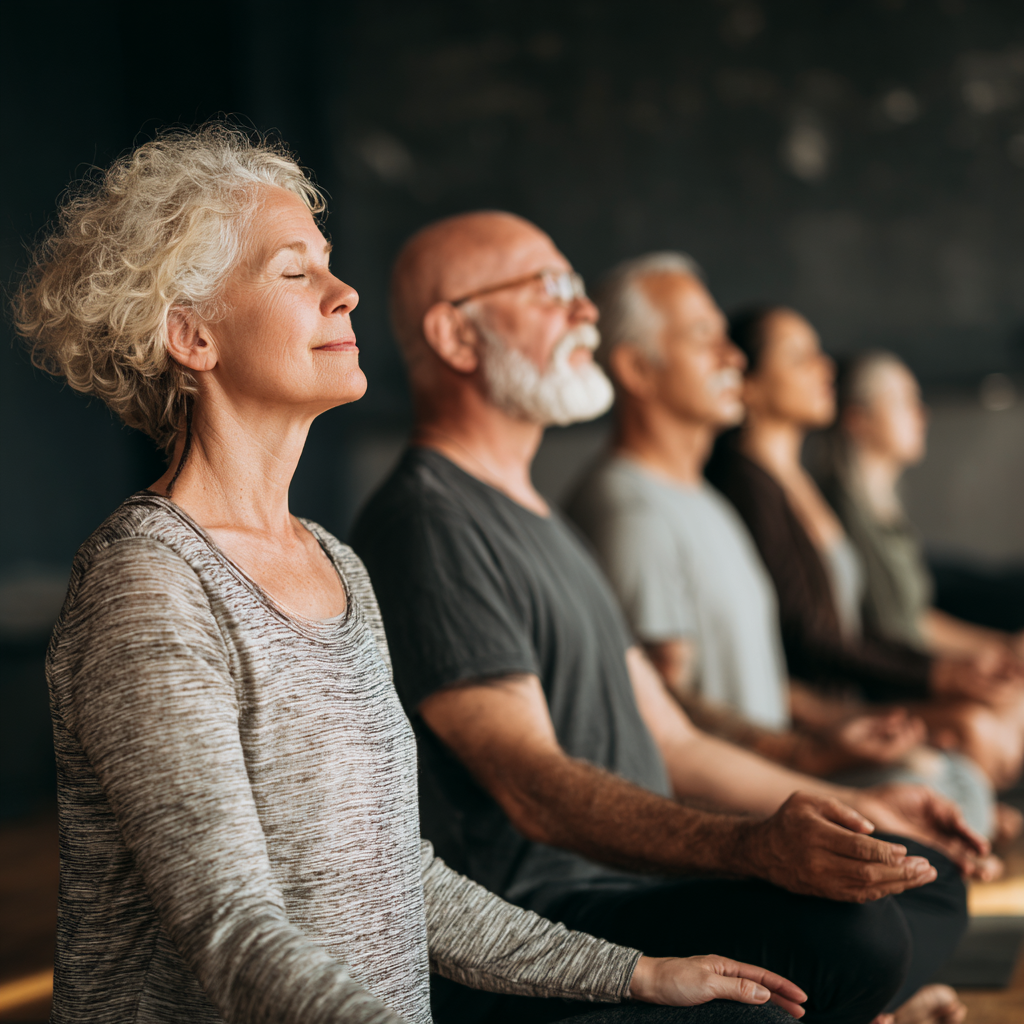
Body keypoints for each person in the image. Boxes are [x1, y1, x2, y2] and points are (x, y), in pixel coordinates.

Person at [12, 128, 809, 1024]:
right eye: (293, 273)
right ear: (192, 334)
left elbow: (405, 879)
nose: (345, 292)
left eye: (330, 266)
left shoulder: (336, 563)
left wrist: (635, 974)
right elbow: (230, 931)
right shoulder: (146, 581)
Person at [351, 210, 987, 1024]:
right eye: (549, 290)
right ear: (456, 334)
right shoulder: (427, 522)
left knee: (929, 881)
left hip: (642, 885)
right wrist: (746, 846)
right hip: (553, 915)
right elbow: (531, 788)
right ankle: (854, 1001)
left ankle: (847, 1005)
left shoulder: (542, 517)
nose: (582, 311)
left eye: (577, 288)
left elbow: (676, 740)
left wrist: (858, 809)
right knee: (857, 938)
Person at [566, 254, 995, 847]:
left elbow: (754, 679)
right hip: (734, 822)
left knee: (950, 781)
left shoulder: (703, 497)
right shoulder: (629, 510)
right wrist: (813, 758)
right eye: (703, 338)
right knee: (939, 792)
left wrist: (836, 733)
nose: (733, 357)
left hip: (778, 774)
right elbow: (664, 721)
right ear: (638, 369)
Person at [705, 307, 1024, 793]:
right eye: (799, 358)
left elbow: (853, 625)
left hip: (848, 689)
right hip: (817, 707)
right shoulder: (745, 484)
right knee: (981, 729)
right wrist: (938, 674)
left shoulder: (795, 481)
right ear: (748, 386)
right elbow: (808, 635)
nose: (825, 367)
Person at [827, 350, 1024, 663]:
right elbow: (899, 632)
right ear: (858, 419)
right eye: (904, 401)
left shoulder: (877, 504)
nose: (922, 414)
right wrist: (1002, 651)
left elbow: (915, 619)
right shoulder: (843, 513)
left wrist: (1004, 647)